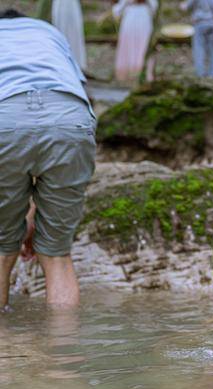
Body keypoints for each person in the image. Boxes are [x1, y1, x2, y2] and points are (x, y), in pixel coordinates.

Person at [0, 10, 96, 310]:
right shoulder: (50, 33)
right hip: (70, 119)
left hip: (5, 115)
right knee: (57, 255)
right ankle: (63, 351)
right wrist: (31, 221)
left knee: (1, 249)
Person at [112, 0, 158, 82]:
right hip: (130, 15)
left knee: (144, 42)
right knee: (129, 43)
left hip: (144, 15)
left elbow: (154, 5)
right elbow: (119, 7)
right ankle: (128, 72)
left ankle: (143, 71)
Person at [180, 0, 213, 78]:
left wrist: (183, 5)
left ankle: (200, 73)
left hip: (200, 23)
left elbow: (185, 6)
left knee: (199, 49)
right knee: (212, 50)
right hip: (211, 22)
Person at [51, 0, 87, 70]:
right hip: (61, 5)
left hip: (70, 5)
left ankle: (74, 63)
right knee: (62, 30)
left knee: (73, 32)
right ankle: (64, 62)